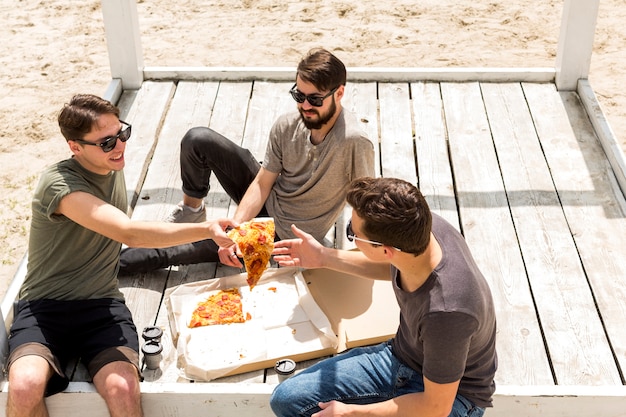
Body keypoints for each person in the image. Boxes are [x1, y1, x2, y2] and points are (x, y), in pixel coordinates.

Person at [5, 94, 236, 417]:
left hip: (101, 305)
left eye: (122, 133)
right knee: (24, 385)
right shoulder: (58, 186)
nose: (120, 146)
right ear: (75, 148)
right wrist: (208, 228)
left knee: (123, 387)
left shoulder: (109, 162)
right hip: (44, 308)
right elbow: (129, 233)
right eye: (107, 141)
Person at [118, 47, 375, 274]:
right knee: (198, 139)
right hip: (269, 198)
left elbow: (366, 205)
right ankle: (192, 211)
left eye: (314, 99)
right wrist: (237, 229)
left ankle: (107, 265)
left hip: (287, 235)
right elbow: (263, 183)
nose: (305, 106)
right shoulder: (286, 125)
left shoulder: (354, 142)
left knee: (174, 251)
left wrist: (361, 255)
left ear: (339, 93)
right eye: (299, 96)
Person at [269, 177, 497, 417]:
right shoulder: (419, 230)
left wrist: (353, 412)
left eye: (352, 234)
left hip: (454, 397)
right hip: (403, 357)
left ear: (386, 249)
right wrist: (323, 257)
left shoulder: (447, 313)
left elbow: (435, 408)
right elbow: (389, 265)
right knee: (286, 399)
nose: (352, 238)